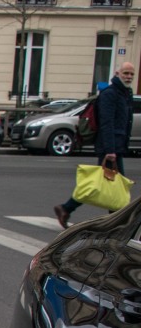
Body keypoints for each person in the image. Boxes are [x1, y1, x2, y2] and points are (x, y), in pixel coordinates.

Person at [54, 62, 135, 228]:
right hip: (110, 147)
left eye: (131, 74)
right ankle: (118, 223)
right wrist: (110, 150)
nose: (129, 77)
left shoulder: (125, 93)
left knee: (106, 184)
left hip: (117, 145)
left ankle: (66, 208)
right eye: (126, 73)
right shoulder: (110, 94)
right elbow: (107, 122)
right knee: (113, 184)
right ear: (117, 73)